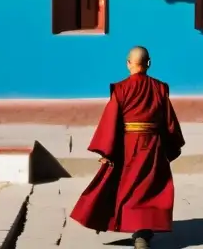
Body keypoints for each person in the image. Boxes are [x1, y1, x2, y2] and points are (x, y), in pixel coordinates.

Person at [70, 46, 185, 249]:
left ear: (128, 64)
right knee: (150, 188)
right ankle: (142, 233)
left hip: (127, 145)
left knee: (126, 186)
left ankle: (133, 230)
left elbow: (111, 121)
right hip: (153, 146)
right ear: (149, 63)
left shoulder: (121, 89)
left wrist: (107, 150)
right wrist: (170, 146)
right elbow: (169, 122)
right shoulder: (160, 88)